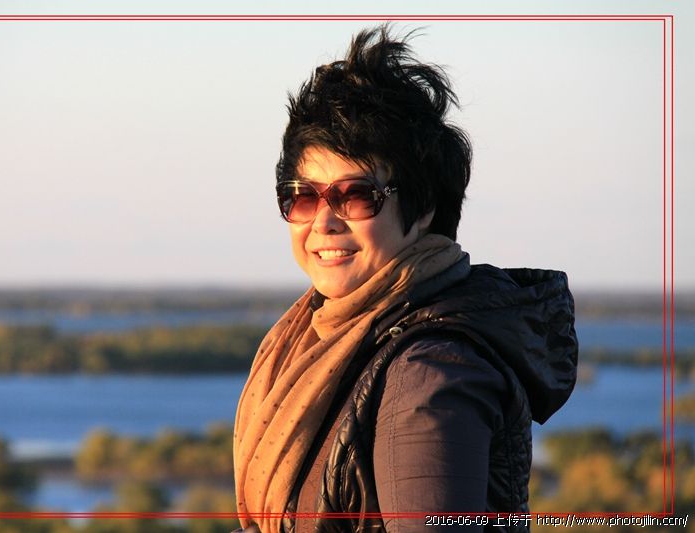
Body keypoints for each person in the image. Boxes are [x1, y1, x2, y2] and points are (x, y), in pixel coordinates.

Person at [233, 26, 577, 533]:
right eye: (303, 196)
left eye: (356, 195)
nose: (323, 222)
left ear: (422, 209)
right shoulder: (324, 342)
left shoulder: (430, 375)